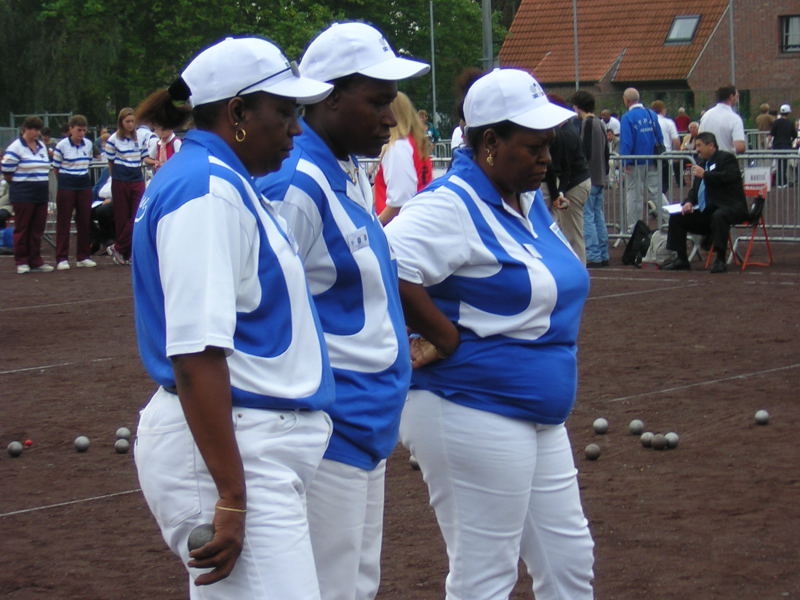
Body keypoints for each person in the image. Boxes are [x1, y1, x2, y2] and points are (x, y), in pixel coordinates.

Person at [131, 36, 335, 599]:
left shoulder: (220, 180)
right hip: (231, 449)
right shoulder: (208, 189)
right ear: (239, 112)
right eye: (286, 112)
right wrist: (231, 496)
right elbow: (196, 352)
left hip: (241, 446)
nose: (297, 129)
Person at [384, 68, 595, 600]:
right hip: (469, 405)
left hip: (534, 411)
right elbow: (381, 266)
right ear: (490, 143)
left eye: (549, 144)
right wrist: (444, 336)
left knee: (569, 564)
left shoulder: (524, 200)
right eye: (533, 147)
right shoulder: (449, 206)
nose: (547, 158)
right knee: (486, 575)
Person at [256, 21, 426, 600]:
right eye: (377, 101)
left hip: (366, 418)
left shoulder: (344, 168)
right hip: (329, 424)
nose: (389, 117)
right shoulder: (295, 182)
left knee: (355, 584)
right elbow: (258, 316)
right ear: (325, 98)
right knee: (331, 587)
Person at [662, 132, 748, 274]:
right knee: (678, 216)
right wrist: (689, 202)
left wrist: (706, 175)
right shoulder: (702, 164)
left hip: (730, 208)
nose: (697, 149)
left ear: (711, 146)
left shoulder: (727, 159)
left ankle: (720, 259)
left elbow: (729, 177)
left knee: (719, 216)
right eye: (696, 146)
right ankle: (681, 259)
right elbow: (695, 190)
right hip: (708, 210)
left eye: (699, 145)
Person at [2, 116, 54, 274]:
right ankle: (22, 261)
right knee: (23, 227)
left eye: (38, 129)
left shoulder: (41, 146)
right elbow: (7, 171)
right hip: (23, 193)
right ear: (25, 129)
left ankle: (36, 260)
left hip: (41, 191)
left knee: (37, 228)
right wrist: (21, 183)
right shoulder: (15, 147)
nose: (35, 133)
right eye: (33, 129)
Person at [542, 97, 590, 263]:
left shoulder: (563, 134)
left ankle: (579, 271)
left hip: (574, 184)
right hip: (576, 182)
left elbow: (560, 168)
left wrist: (557, 193)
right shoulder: (568, 131)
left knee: (572, 234)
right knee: (569, 231)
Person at [374, 91, 433, 224]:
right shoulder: (415, 143)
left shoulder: (398, 147)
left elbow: (399, 203)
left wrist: (375, 228)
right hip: (421, 220)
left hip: (399, 229)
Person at [52, 114, 97, 270]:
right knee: (63, 221)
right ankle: (61, 257)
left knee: (84, 220)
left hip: (83, 183)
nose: (82, 133)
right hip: (67, 184)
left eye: (84, 130)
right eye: (79, 130)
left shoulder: (89, 144)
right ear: (71, 129)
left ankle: (83, 255)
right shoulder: (62, 145)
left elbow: (89, 162)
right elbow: (56, 167)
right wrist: (65, 180)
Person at [573, 90, 610, 268]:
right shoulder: (600, 123)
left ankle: (593, 254)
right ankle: (603, 252)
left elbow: (585, 150)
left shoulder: (587, 123)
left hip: (590, 176)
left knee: (587, 216)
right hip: (600, 175)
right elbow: (606, 151)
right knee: (598, 215)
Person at [104, 107, 147, 264]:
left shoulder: (140, 138)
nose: (130, 124)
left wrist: (157, 162)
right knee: (122, 217)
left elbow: (145, 157)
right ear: (121, 122)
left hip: (136, 177)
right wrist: (114, 178)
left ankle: (119, 247)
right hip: (120, 178)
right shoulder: (113, 139)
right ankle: (125, 253)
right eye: (127, 121)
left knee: (137, 214)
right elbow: (110, 161)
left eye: (132, 121)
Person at [620, 87, 665, 232]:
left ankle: (634, 227)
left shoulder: (627, 118)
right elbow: (659, 137)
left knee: (634, 194)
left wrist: (625, 161)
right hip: (652, 159)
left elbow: (626, 142)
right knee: (657, 192)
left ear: (626, 101)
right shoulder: (651, 114)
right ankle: (670, 220)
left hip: (635, 162)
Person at [699, 85, 746, 154]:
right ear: (731, 97)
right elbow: (740, 147)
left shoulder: (706, 115)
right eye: (737, 96)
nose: (737, 99)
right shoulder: (734, 118)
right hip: (726, 159)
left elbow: (699, 138)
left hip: (707, 159)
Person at [768, 104, 797, 188]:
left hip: (777, 145)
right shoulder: (790, 123)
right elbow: (794, 135)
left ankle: (780, 182)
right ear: (788, 113)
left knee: (778, 164)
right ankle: (783, 182)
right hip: (786, 146)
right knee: (784, 164)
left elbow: (771, 134)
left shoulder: (776, 122)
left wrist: (768, 144)